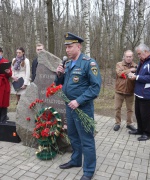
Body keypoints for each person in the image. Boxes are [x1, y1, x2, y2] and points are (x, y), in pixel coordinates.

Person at [55, 32, 102, 180]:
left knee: (86, 140)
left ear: (78, 46)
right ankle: (76, 160)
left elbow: (95, 88)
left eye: (70, 47)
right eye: (66, 47)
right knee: (73, 136)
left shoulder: (89, 63)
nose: (67, 50)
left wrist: (79, 100)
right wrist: (59, 75)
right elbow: (60, 84)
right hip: (69, 106)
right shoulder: (68, 64)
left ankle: (88, 171)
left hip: (83, 107)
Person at [127, 44, 150, 141]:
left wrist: (136, 77)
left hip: (148, 93)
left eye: (139, 54)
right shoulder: (142, 61)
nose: (138, 56)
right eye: (138, 54)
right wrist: (133, 75)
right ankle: (140, 130)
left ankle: (147, 133)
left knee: (146, 115)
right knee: (138, 113)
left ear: (146, 52)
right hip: (138, 92)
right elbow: (139, 74)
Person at [114, 50, 137, 131]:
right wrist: (130, 70)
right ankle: (117, 123)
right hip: (119, 91)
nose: (128, 58)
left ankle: (129, 123)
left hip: (130, 92)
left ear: (132, 57)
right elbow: (120, 73)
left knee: (130, 109)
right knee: (117, 108)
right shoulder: (119, 64)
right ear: (124, 56)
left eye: (130, 56)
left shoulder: (136, 66)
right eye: (127, 56)